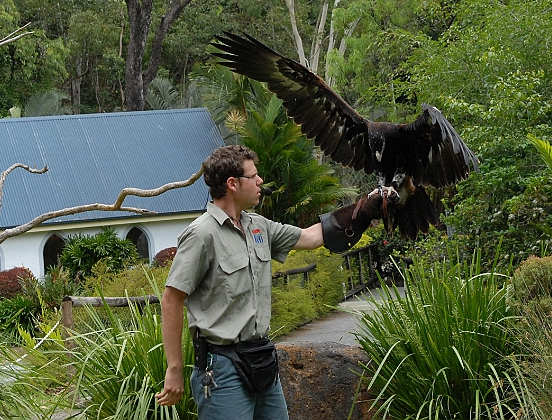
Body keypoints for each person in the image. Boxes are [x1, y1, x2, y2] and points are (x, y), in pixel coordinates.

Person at [156, 144, 385, 419]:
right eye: (253, 176)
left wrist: (365, 208)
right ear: (232, 184)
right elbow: (172, 298)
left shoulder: (258, 226)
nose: (260, 181)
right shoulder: (202, 235)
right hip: (222, 368)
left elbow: (311, 237)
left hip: (262, 358)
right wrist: (175, 369)